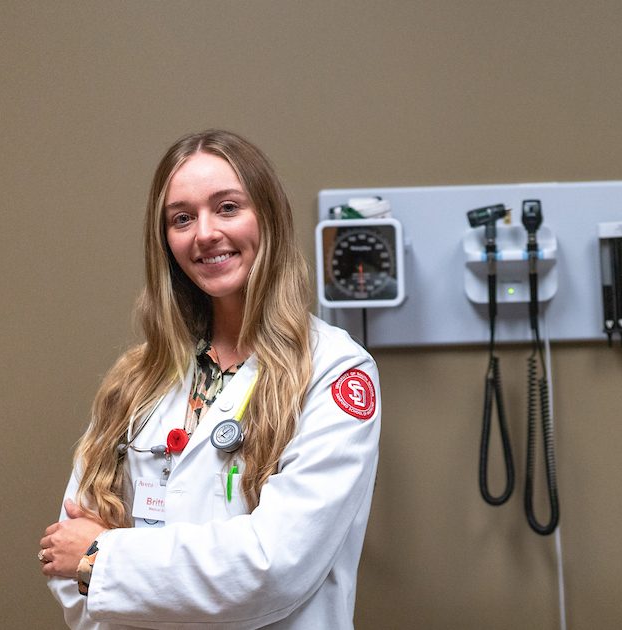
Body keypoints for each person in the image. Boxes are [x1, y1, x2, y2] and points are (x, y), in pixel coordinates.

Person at [38, 130, 381, 629]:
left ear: (268, 217)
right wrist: (93, 562)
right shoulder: (137, 378)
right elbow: (66, 555)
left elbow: (273, 566)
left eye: (227, 207)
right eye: (182, 218)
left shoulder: (334, 371)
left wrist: (102, 560)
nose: (204, 233)